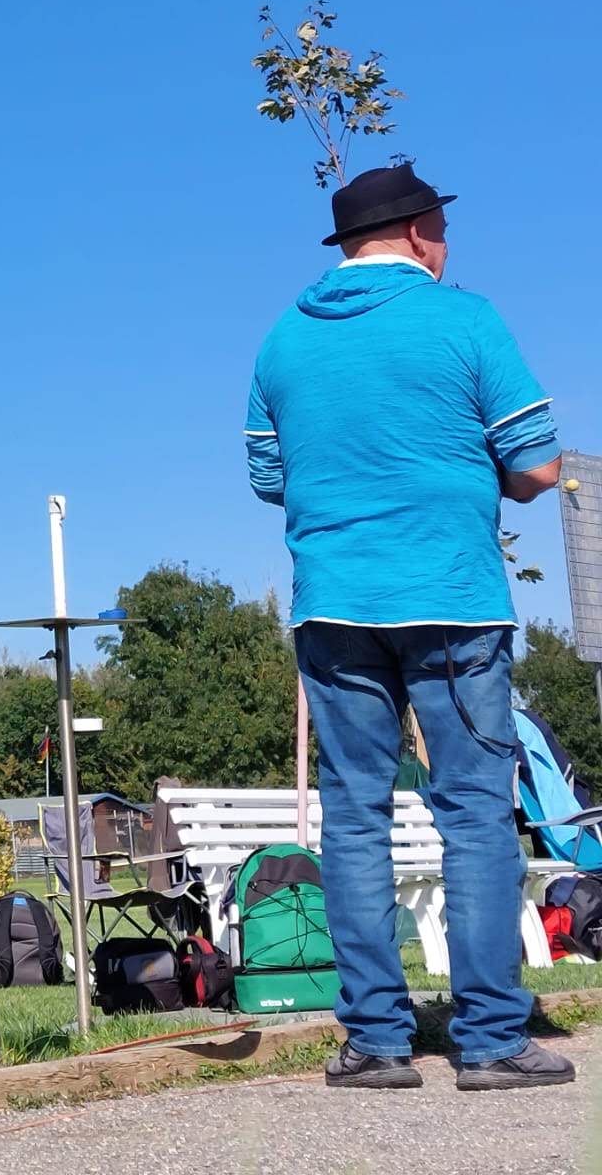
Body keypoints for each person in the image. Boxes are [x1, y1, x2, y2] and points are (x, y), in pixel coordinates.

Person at [245, 163, 571, 1091]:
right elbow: (538, 467)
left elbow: (269, 479)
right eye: (444, 230)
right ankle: (491, 1041)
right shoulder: (465, 319)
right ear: (422, 232)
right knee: (474, 812)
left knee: (355, 816)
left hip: (333, 605)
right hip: (452, 598)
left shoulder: (281, 339)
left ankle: (377, 1044)